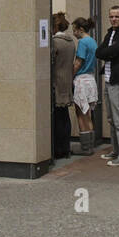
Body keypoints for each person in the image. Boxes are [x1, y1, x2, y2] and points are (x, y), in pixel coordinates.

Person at [94, 6, 119, 166]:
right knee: (112, 118)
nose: (114, 19)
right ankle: (116, 150)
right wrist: (108, 51)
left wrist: (108, 51)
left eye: (117, 16)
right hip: (109, 79)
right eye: (111, 16)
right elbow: (99, 52)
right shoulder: (110, 33)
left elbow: (113, 51)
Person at [49, 12, 76, 160]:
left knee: (57, 118)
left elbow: (50, 62)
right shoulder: (71, 41)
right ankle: (66, 148)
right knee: (65, 116)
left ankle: (58, 149)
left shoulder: (55, 42)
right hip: (67, 82)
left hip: (56, 83)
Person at [70, 17, 99, 155]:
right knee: (88, 113)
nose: (73, 33)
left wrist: (70, 75)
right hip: (91, 79)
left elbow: (78, 62)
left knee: (80, 113)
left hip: (81, 79)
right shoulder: (93, 41)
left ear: (80, 29)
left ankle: (85, 147)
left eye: (74, 30)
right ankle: (91, 145)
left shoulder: (82, 42)